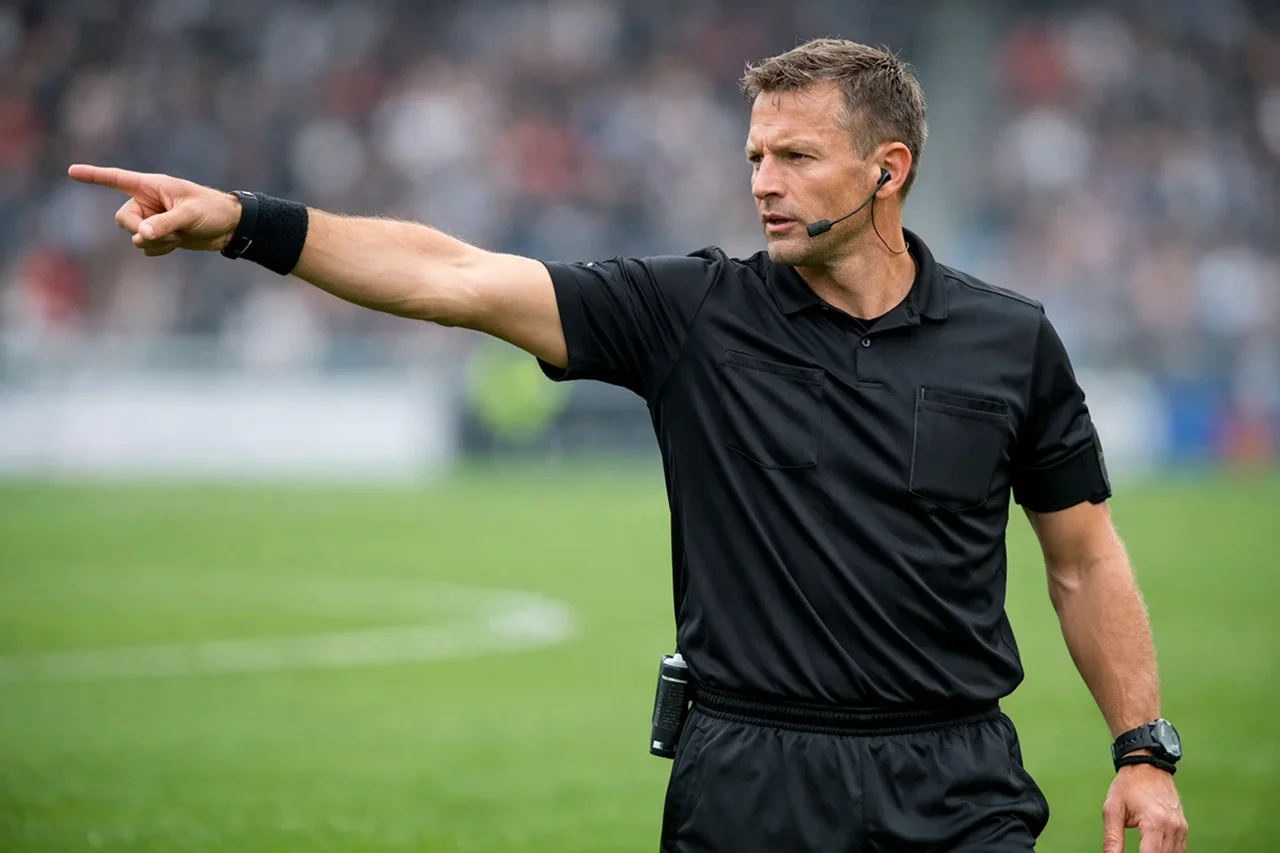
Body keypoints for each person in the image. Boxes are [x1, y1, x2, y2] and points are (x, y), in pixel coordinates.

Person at [70, 37, 1186, 853]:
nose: (761, 182)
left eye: (795, 158)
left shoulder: (1008, 340)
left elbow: (1081, 557)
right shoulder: (690, 313)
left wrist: (1140, 748)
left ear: (886, 169)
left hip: (957, 782)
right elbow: (455, 276)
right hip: (749, 778)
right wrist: (247, 224)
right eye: (754, 155)